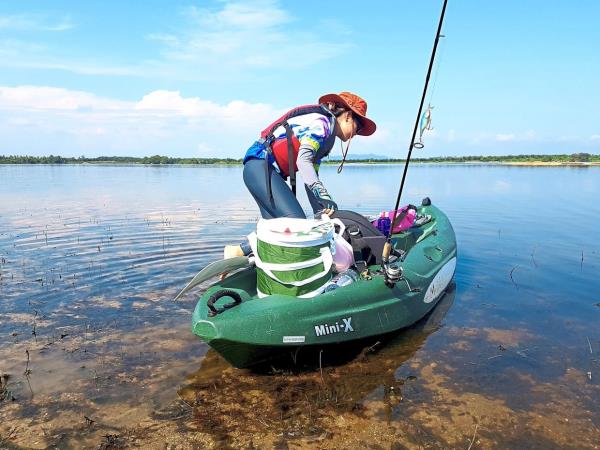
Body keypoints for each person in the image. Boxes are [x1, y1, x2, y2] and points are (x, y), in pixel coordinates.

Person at [225, 91, 376, 259]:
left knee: (277, 230)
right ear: (348, 116)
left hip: (261, 172)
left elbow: (310, 177)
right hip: (260, 168)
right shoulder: (322, 125)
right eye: (359, 126)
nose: (358, 132)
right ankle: (237, 251)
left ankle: (265, 263)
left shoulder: (326, 137)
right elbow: (303, 162)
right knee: (297, 224)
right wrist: (323, 195)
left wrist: (321, 210)